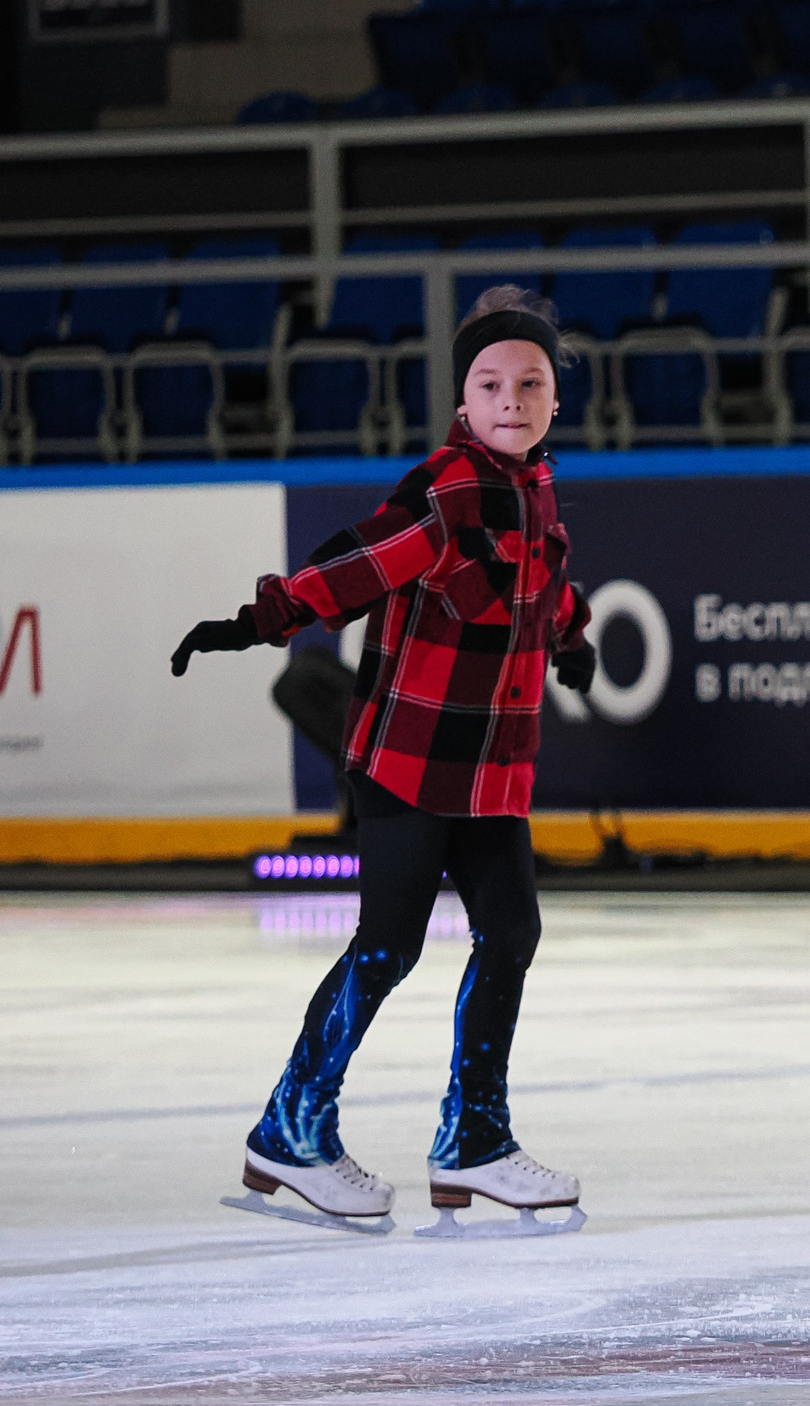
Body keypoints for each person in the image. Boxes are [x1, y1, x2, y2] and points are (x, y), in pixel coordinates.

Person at [172, 285, 596, 1237]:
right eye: (492, 383)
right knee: (389, 943)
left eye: (531, 382)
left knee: (511, 930)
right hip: (410, 761)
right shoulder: (446, 490)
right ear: (464, 398)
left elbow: (544, 583)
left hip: (492, 768)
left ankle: (474, 1139)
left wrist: (571, 638)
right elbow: (354, 564)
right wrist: (257, 620)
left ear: (555, 398)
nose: (513, 399)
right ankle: (292, 1128)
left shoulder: (536, 488)